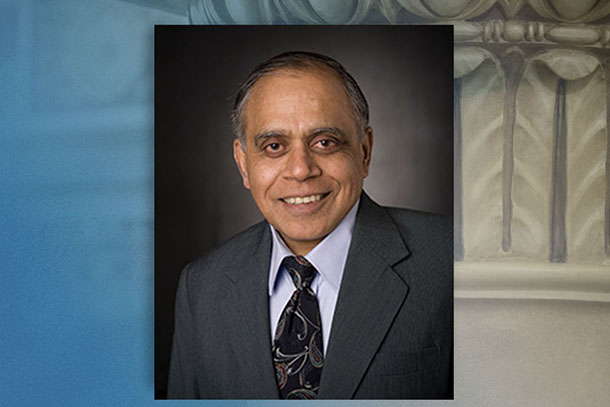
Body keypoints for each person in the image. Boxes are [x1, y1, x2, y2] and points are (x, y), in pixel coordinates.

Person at [167, 51, 453, 399]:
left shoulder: (450, 262)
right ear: (243, 164)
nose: (301, 169)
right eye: (274, 146)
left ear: (364, 151)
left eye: (325, 142)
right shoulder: (201, 287)